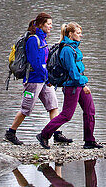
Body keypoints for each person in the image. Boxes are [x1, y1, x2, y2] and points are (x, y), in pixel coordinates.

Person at [5, 14, 72, 147]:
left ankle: (57, 134)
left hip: (44, 80)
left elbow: (44, 61)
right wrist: (47, 77)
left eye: (51, 24)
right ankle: (11, 133)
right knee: (26, 109)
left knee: (53, 105)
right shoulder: (32, 40)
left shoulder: (43, 39)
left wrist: (48, 77)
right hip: (33, 81)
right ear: (41, 24)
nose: (51, 26)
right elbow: (35, 62)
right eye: (49, 24)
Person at [37, 22, 102, 150]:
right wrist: (83, 84)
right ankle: (44, 135)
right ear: (70, 34)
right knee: (67, 115)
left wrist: (83, 83)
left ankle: (89, 141)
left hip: (79, 83)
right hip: (72, 86)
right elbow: (72, 71)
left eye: (80, 33)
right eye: (78, 33)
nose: (80, 35)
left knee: (90, 111)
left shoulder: (74, 48)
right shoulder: (66, 49)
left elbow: (78, 69)